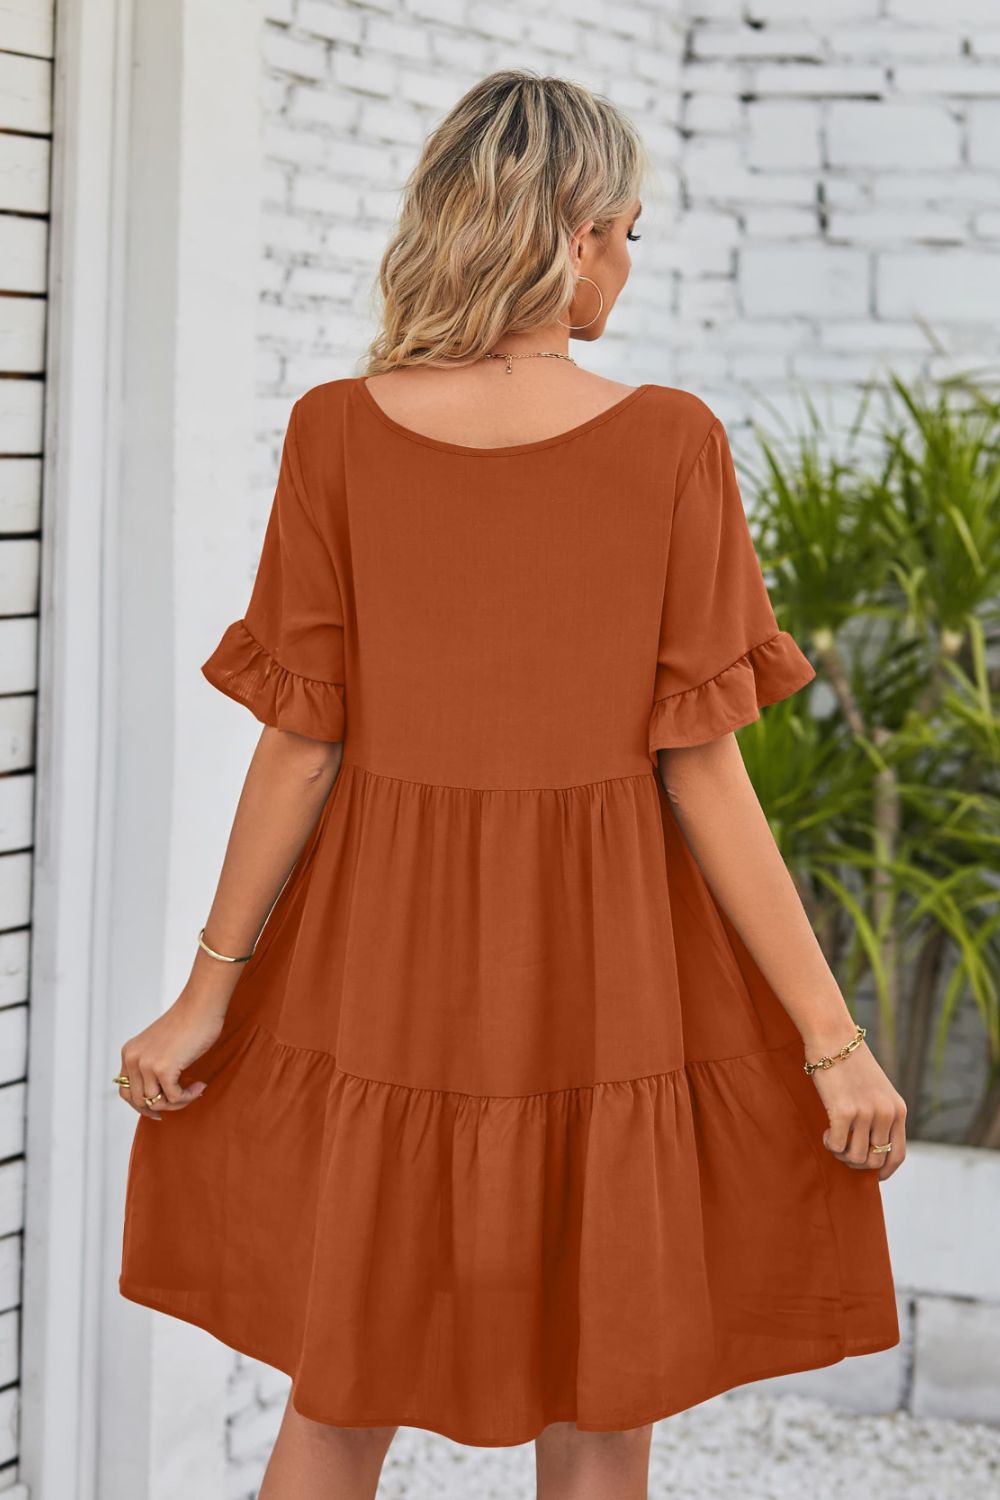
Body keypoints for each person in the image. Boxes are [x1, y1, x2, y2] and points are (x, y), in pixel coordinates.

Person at [116, 69, 906, 1500]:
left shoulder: (335, 430)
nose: (628, 263)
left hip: (382, 970)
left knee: (341, 1389)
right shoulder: (672, 441)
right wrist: (830, 1039)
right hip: (614, 972)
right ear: (580, 232)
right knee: (604, 1401)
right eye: (630, 233)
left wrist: (208, 993)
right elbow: (703, 770)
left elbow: (301, 745)